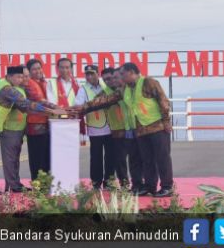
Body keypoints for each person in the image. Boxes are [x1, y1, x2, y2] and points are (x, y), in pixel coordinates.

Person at [72, 62, 173, 197]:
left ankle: (167, 187)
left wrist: (166, 121)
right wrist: (83, 107)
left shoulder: (149, 82)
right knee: (147, 160)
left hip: (158, 127)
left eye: (121, 74)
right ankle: (149, 187)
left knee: (162, 158)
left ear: (131, 72)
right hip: (140, 131)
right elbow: (104, 100)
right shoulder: (124, 89)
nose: (118, 78)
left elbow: (163, 101)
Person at [0, 65, 65, 195]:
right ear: (9, 76)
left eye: (22, 76)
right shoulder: (8, 89)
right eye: (18, 77)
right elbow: (25, 104)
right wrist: (51, 111)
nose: (20, 79)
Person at [101, 67, 143, 192]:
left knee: (136, 159)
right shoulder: (106, 92)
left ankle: (140, 184)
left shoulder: (127, 89)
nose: (110, 81)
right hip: (118, 131)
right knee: (120, 161)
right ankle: (125, 185)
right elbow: (94, 103)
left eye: (112, 78)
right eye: (106, 80)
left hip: (133, 129)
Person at [75, 65, 114, 189]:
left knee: (110, 157)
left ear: (98, 74)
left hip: (111, 127)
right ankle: (96, 183)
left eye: (92, 73)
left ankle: (109, 182)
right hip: (95, 129)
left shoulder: (106, 86)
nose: (89, 76)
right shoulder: (83, 89)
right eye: (87, 74)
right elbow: (78, 105)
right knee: (96, 158)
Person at [24, 58, 50, 180]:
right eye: (34, 69)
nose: (37, 71)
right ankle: (37, 184)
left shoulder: (44, 82)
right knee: (37, 158)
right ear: (29, 71)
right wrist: (58, 108)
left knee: (46, 156)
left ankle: (46, 183)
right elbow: (39, 99)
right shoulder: (29, 83)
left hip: (47, 124)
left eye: (39, 68)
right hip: (35, 126)